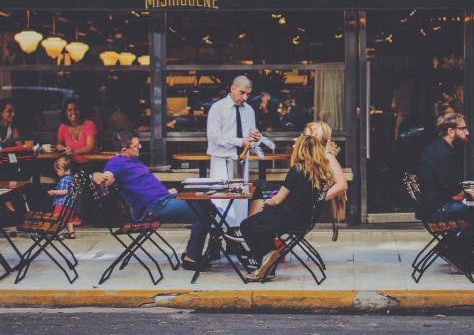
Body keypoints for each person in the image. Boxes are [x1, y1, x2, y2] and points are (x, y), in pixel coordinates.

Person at [93, 131, 211, 270]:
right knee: (204, 211)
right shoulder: (116, 163)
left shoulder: (132, 160)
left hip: (164, 198)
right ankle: (191, 257)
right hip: (155, 207)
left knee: (206, 204)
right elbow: (107, 178)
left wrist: (166, 192)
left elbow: (144, 185)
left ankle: (191, 253)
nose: (140, 147)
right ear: (124, 150)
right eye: (136, 146)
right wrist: (97, 176)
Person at [240, 133, 333, 282]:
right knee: (265, 224)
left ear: (301, 150)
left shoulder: (297, 170)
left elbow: (277, 200)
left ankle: (268, 256)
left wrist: (264, 202)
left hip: (288, 218)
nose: (293, 147)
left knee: (246, 225)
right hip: (303, 220)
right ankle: (268, 267)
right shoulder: (321, 173)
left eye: (296, 145)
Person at [418, 113, 474, 273]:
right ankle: (456, 252)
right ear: (450, 131)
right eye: (463, 128)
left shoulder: (439, 148)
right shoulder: (443, 154)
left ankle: (456, 249)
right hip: (437, 209)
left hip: (433, 205)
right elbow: (456, 194)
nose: (467, 132)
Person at [206, 75, 260, 225]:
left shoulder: (249, 110)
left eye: (248, 94)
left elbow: (251, 137)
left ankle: (236, 239)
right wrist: (240, 141)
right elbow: (214, 136)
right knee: (219, 201)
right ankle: (216, 240)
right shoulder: (218, 108)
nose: (245, 97)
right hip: (221, 159)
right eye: (242, 93)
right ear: (232, 88)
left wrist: (255, 138)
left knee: (240, 201)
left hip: (241, 160)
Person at [56, 98, 98, 166]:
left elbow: (90, 147)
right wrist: (60, 147)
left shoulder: (89, 124)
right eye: (69, 110)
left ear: (80, 111)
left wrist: (74, 151)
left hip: (89, 163)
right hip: (70, 164)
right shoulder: (63, 127)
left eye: (76, 109)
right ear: (65, 113)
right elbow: (58, 144)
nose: (73, 112)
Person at [48, 156, 75, 239]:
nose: (56, 173)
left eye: (57, 171)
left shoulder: (64, 179)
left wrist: (53, 192)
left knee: (58, 219)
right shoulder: (71, 177)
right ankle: (71, 233)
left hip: (61, 203)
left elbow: (65, 191)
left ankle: (58, 233)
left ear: (62, 170)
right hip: (70, 204)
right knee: (68, 219)